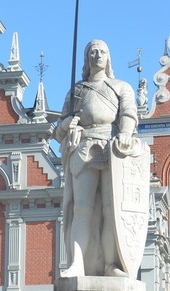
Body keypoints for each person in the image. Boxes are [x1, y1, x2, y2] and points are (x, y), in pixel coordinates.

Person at [55, 39, 147, 278]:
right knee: (82, 210)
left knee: (111, 210)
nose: (97, 55)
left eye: (102, 51)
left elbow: (128, 114)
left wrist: (126, 134)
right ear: (86, 58)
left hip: (111, 150)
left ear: (109, 57)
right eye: (93, 51)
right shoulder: (76, 90)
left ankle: (112, 264)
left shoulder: (120, 87)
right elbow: (58, 130)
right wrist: (67, 123)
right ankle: (77, 263)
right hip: (83, 148)